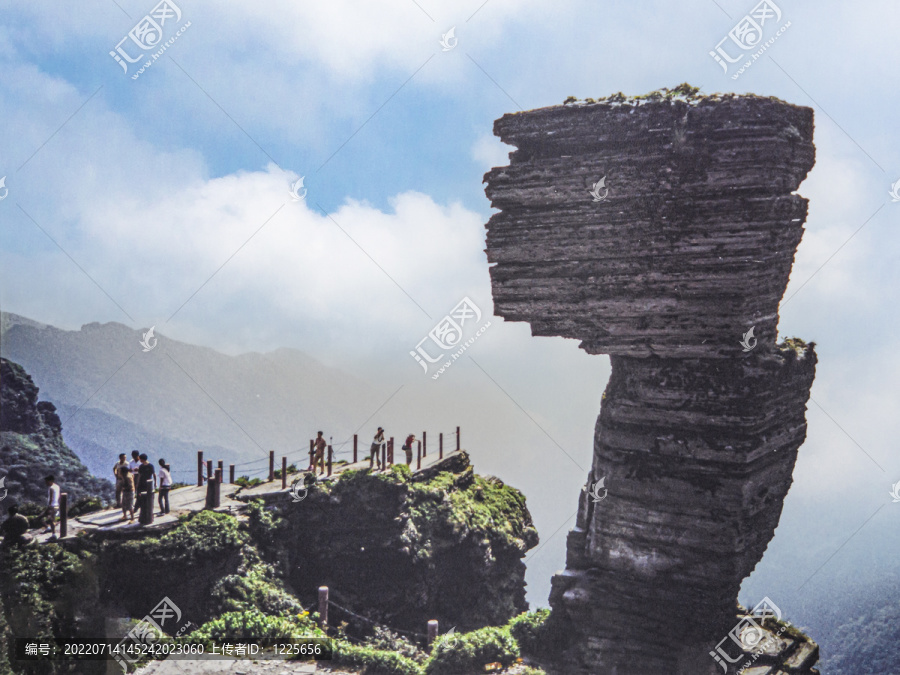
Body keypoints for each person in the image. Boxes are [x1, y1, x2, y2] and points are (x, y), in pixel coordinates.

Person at [136, 454, 156, 525]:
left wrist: (155, 483)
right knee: (141, 499)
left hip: (147, 485)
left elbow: (154, 474)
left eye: (140, 459)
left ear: (142, 459)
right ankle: (142, 515)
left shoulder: (150, 466)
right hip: (143, 484)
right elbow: (140, 475)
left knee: (147, 500)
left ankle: (146, 516)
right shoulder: (141, 466)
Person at [43, 475, 60, 540]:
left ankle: (54, 535)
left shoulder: (51, 488)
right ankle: (49, 528)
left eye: (47, 481)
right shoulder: (57, 486)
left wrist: (49, 507)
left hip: (52, 506)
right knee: (52, 520)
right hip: (56, 505)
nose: (46, 483)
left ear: (50, 481)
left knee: (51, 520)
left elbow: (51, 498)